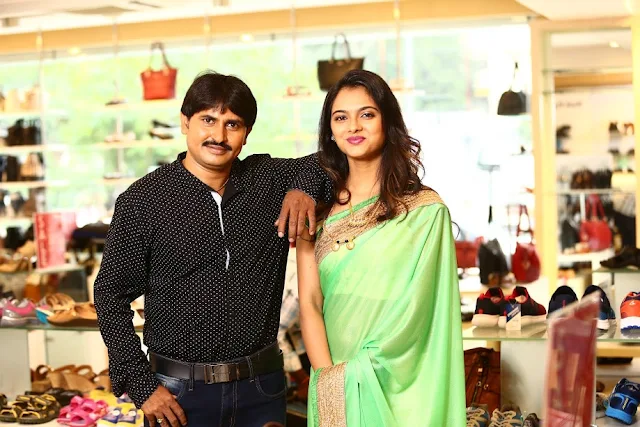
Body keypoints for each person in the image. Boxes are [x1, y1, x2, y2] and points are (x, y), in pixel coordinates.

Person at [94, 71, 331, 427]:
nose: (219, 136)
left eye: (232, 124)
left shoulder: (267, 180)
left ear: (246, 133)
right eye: (208, 120)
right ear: (185, 122)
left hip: (261, 389)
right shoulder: (144, 201)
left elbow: (327, 161)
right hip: (178, 395)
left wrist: (303, 190)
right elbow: (110, 295)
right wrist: (143, 386)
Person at [296, 70, 466, 426]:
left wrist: (366, 369)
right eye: (341, 118)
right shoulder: (318, 213)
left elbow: (423, 315)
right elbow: (310, 303)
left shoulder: (424, 212)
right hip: (333, 379)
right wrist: (330, 380)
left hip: (401, 386)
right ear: (330, 131)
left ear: (387, 122)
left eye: (367, 114)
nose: (353, 126)